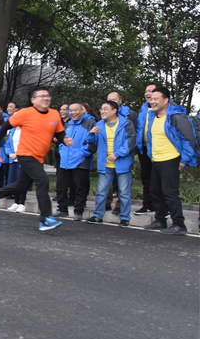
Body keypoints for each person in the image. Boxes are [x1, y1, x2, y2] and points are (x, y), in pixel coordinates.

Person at [0, 87, 73, 231]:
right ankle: (45, 219)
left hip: (39, 157)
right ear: (33, 100)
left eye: (47, 95)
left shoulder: (54, 114)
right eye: (41, 96)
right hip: (26, 154)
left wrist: (65, 140)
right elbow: (5, 126)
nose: (45, 98)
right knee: (43, 180)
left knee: (21, 185)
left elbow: (59, 133)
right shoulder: (26, 113)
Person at [142, 86, 198, 235]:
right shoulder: (153, 116)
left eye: (156, 99)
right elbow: (150, 137)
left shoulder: (177, 117)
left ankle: (179, 224)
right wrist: (151, 155)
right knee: (155, 191)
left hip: (171, 159)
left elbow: (189, 139)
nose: (152, 102)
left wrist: (184, 160)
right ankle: (160, 220)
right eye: (151, 99)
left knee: (170, 193)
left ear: (166, 100)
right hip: (156, 160)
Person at [85, 100, 136, 227]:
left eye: (105, 109)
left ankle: (125, 218)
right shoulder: (99, 125)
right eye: (101, 109)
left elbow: (130, 141)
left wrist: (117, 154)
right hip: (105, 164)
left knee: (124, 192)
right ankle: (98, 215)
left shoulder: (126, 123)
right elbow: (91, 141)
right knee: (101, 191)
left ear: (114, 110)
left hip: (122, 163)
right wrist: (91, 134)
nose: (102, 111)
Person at [53, 103, 96, 221]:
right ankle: (62, 209)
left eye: (75, 110)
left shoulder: (90, 123)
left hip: (80, 161)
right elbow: (62, 140)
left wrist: (81, 154)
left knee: (80, 187)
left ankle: (78, 211)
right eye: (71, 110)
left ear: (82, 110)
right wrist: (62, 151)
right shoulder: (68, 124)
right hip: (65, 161)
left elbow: (92, 142)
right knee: (61, 186)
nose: (73, 113)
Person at [133, 82, 161, 215]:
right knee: (146, 178)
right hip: (144, 149)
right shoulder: (143, 109)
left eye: (151, 91)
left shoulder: (168, 108)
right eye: (146, 91)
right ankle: (148, 205)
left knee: (159, 179)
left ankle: (163, 208)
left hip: (159, 149)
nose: (147, 93)